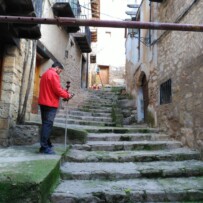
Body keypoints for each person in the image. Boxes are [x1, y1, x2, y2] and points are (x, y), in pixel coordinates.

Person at [38, 61, 73, 154]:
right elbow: (57, 90)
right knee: (48, 124)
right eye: (60, 70)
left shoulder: (45, 74)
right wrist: (67, 95)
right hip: (50, 103)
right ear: (57, 67)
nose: (60, 72)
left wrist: (65, 92)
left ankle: (47, 143)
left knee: (45, 124)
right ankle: (44, 147)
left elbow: (54, 88)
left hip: (43, 102)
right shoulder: (54, 75)